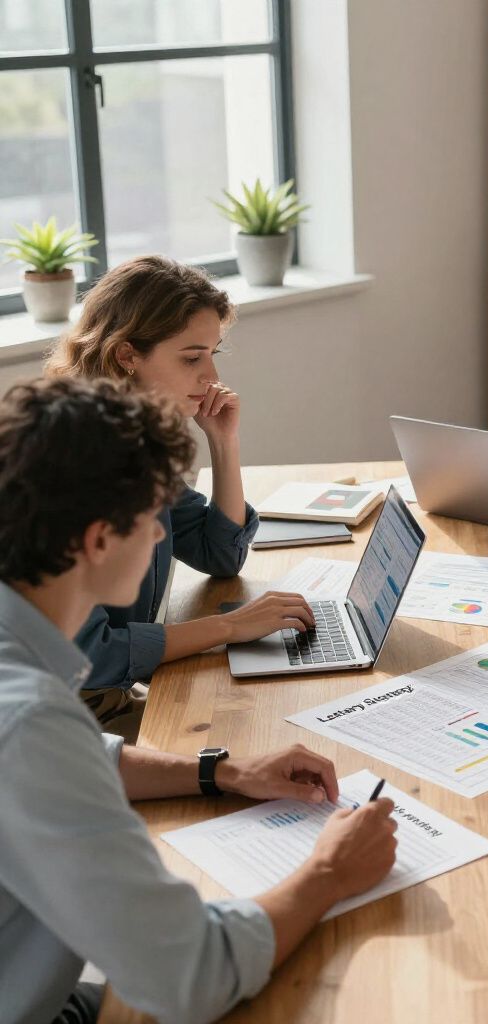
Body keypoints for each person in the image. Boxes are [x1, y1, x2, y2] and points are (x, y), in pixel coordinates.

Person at [0, 377, 398, 1024]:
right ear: (98, 540)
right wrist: (329, 871)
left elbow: (69, 758)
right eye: (152, 520)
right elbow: (194, 975)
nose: (161, 541)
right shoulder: (28, 719)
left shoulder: (25, 684)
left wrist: (219, 770)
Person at [45, 255, 315, 731]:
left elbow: (219, 555)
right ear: (126, 355)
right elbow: (93, 655)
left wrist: (223, 442)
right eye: (191, 358)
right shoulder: (73, 463)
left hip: (109, 695)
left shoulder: (134, 440)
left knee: (270, 711)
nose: (210, 377)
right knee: (262, 725)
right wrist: (229, 627)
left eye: (214, 354)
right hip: (69, 719)